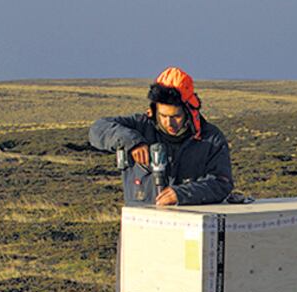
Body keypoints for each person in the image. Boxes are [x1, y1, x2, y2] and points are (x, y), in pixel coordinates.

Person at [89, 66, 233, 205]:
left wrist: (182, 194)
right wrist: (132, 142)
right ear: (154, 109)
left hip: (185, 226)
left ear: (189, 112)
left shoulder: (211, 139)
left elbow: (222, 183)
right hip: (139, 225)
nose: (169, 122)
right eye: (163, 115)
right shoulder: (140, 126)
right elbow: (97, 129)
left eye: (176, 116)